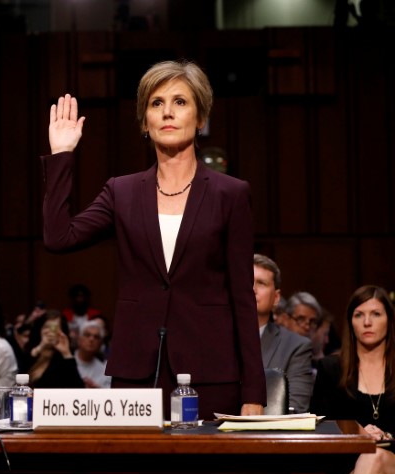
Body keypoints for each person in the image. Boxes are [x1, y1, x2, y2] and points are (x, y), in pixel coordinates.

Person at [42, 59, 265, 419]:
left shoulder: (231, 194)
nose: (167, 112)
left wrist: (254, 391)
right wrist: (62, 155)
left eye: (180, 102)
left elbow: (243, 295)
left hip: (210, 373)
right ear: (145, 121)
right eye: (156, 103)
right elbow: (58, 237)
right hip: (137, 373)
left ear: (201, 117)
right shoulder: (122, 191)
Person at [310, 285, 395, 474]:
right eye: (359, 315)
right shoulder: (330, 368)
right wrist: (356, 429)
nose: (367, 322)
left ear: (389, 320)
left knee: (376, 456)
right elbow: (319, 423)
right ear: (351, 322)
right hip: (345, 467)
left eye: (376, 314)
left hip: (392, 460)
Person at [252, 254, 314, 413]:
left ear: (276, 298)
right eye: (246, 282)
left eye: (261, 283)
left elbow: (295, 409)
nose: (252, 289)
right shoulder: (212, 341)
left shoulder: (296, 347)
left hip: (270, 436)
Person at [16, 309, 84, 388]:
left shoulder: (64, 359)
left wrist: (66, 353)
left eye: (55, 328)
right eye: (46, 327)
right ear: (40, 329)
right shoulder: (31, 351)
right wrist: (40, 347)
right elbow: (20, 376)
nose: (50, 331)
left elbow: (78, 388)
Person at [75, 319, 111, 388]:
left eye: (96, 337)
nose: (91, 339)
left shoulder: (105, 369)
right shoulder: (66, 360)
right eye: (87, 335)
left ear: (101, 343)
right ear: (79, 339)